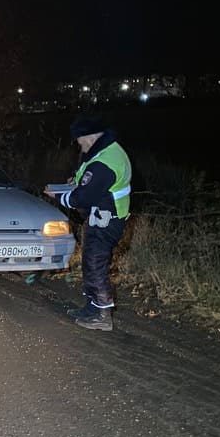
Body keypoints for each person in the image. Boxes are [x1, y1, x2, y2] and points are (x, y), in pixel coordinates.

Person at [45, 117, 132, 331]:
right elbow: (87, 179)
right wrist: (76, 182)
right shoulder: (104, 151)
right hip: (101, 218)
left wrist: (57, 197)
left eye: (79, 140)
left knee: (95, 265)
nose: (79, 145)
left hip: (106, 221)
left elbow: (82, 198)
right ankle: (92, 308)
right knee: (90, 263)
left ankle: (102, 315)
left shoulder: (105, 162)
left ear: (90, 137)